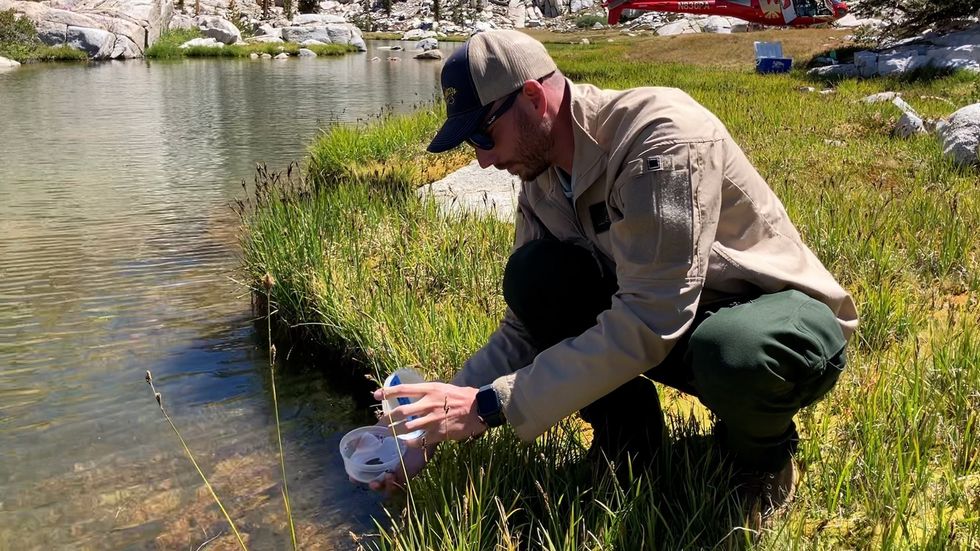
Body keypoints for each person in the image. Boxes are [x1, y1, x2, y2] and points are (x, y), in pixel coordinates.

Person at [364, 29, 858, 524]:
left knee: (734, 353)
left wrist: (493, 406)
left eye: (482, 135)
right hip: (673, 325)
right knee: (534, 277)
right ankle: (629, 442)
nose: (483, 158)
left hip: (776, 321)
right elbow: (525, 328)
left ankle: (761, 461)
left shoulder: (659, 139)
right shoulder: (543, 179)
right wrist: (429, 427)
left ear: (533, 98)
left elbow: (650, 317)